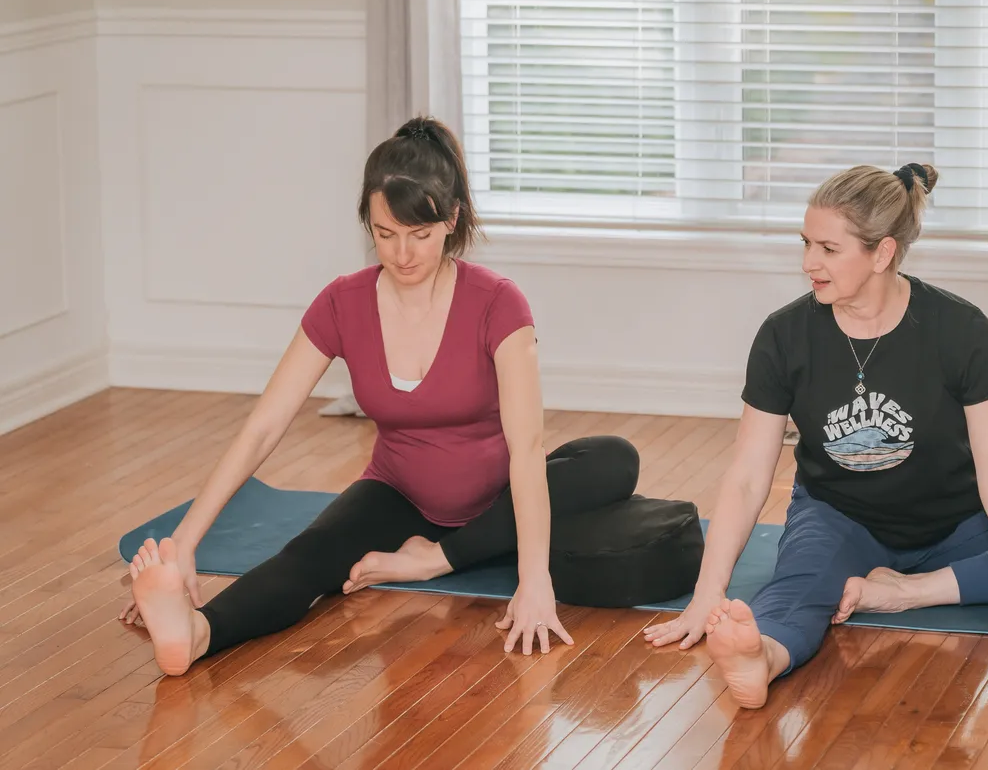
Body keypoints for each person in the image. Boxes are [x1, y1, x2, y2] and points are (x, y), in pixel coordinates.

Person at [121, 116, 640, 676]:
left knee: (611, 459)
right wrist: (185, 544)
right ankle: (197, 634)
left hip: (498, 503)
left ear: (452, 219)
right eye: (385, 233)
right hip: (399, 492)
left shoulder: (498, 303)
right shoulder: (342, 304)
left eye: (420, 234)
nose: (403, 254)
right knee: (311, 553)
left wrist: (535, 581)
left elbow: (526, 444)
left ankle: (433, 561)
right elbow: (263, 428)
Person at [644, 162, 988, 709]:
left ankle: (911, 591)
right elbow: (746, 479)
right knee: (803, 582)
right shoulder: (784, 335)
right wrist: (705, 595)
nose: (807, 263)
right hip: (841, 518)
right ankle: (764, 658)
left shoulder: (959, 330)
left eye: (829, 249)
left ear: (883, 253)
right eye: (806, 243)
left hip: (959, 522)